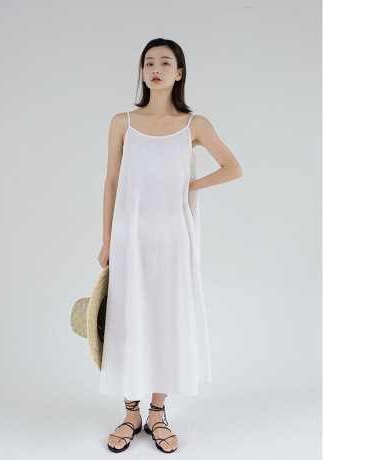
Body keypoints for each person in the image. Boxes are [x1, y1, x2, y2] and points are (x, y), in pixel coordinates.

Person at [97, 38, 242, 453]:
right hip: (130, 235)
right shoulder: (122, 122)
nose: (155, 69)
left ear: (179, 73)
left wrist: (188, 187)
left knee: (166, 318)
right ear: (142, 72)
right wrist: (106, 239)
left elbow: (233, 168)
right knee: (128, 317)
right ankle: (130, 412)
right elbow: (112, 182)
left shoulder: (194, 124)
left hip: (175, 237)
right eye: (148, 63)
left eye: (165, 62)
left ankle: (157, 413)